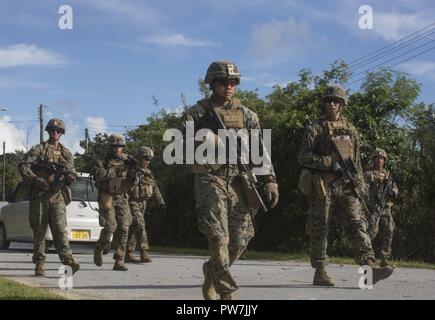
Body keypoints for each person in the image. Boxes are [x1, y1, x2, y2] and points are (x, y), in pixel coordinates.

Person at [183, 61, 279, 300]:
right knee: (218, 236)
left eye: (233, 82)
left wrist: (269, 179)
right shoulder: (197, 113)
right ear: (212, 83)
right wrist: (206, 140)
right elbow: (181, 151)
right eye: (223, 82)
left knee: (239, 240)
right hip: (210, 178)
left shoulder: (247, 115)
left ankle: (212, 270)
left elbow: (259, 149)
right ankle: (226, 291)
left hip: (240, 181)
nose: (229, 86)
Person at [297, 85, 394, 286]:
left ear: (342, 105)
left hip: (347, 186)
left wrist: (360, 185)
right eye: (328, 100)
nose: (332, 104)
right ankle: (320, 270)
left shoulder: (351, 129)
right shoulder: (315, 128)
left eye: (336, 101)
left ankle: (368, 269)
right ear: (324, 103)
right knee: (320, 228)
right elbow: (303, 156)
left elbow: (356, 162)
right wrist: (329, 163)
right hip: (322, 185)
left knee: (357, 224)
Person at [19, 118, 79, 276]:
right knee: (39, 232)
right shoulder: (39, 149)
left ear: (62, 133)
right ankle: (39, 264)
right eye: (52, 130)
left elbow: (72, 171)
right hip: (39, 196)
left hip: (57, 196)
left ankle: (68, 261)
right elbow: (24, 165)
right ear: (48, 131)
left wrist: (70, 177)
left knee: (60, 230)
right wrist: (34, 178)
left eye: (58, 131)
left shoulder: (66, 153)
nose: (55, 133)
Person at [93, 134, 134, 271]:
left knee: (124, 228)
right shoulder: (102, 160)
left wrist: (134, 171)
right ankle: (99, 248)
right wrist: (117, 169)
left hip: (122, 196)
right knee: (110, 227)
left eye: (120, 146)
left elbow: (134, 182)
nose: (118, 148)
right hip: (107, 196)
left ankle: (119, 260)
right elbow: (99, 175)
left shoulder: (128, 159)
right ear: (110, 147)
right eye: (115, 146)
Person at [124, 146, 166, 264]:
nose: (147, 161)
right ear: (139, 157)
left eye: (149, 159)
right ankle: (144, 252)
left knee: (134, 229)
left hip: (143, 204)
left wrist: (160, 201)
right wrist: (134, 173)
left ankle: (128, 254)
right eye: (145, 158)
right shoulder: (130, 170)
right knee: (140, 226)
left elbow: (154, 187)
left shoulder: (148, 173)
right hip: (132, 202)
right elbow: (127, 185)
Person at [364, 148, 398, 268]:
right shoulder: (368, 174)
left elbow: (394, 187)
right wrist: (371, 201)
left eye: (382, 158)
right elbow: (364, 191)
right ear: (373, 159)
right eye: (377, 158)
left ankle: (385, 258)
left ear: (385, 160)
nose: (380, 160)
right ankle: (368, 258)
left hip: (385, 208)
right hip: (373, 208)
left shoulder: (388, 175)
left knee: (389, 231)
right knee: (371, 232)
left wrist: (393, 192)